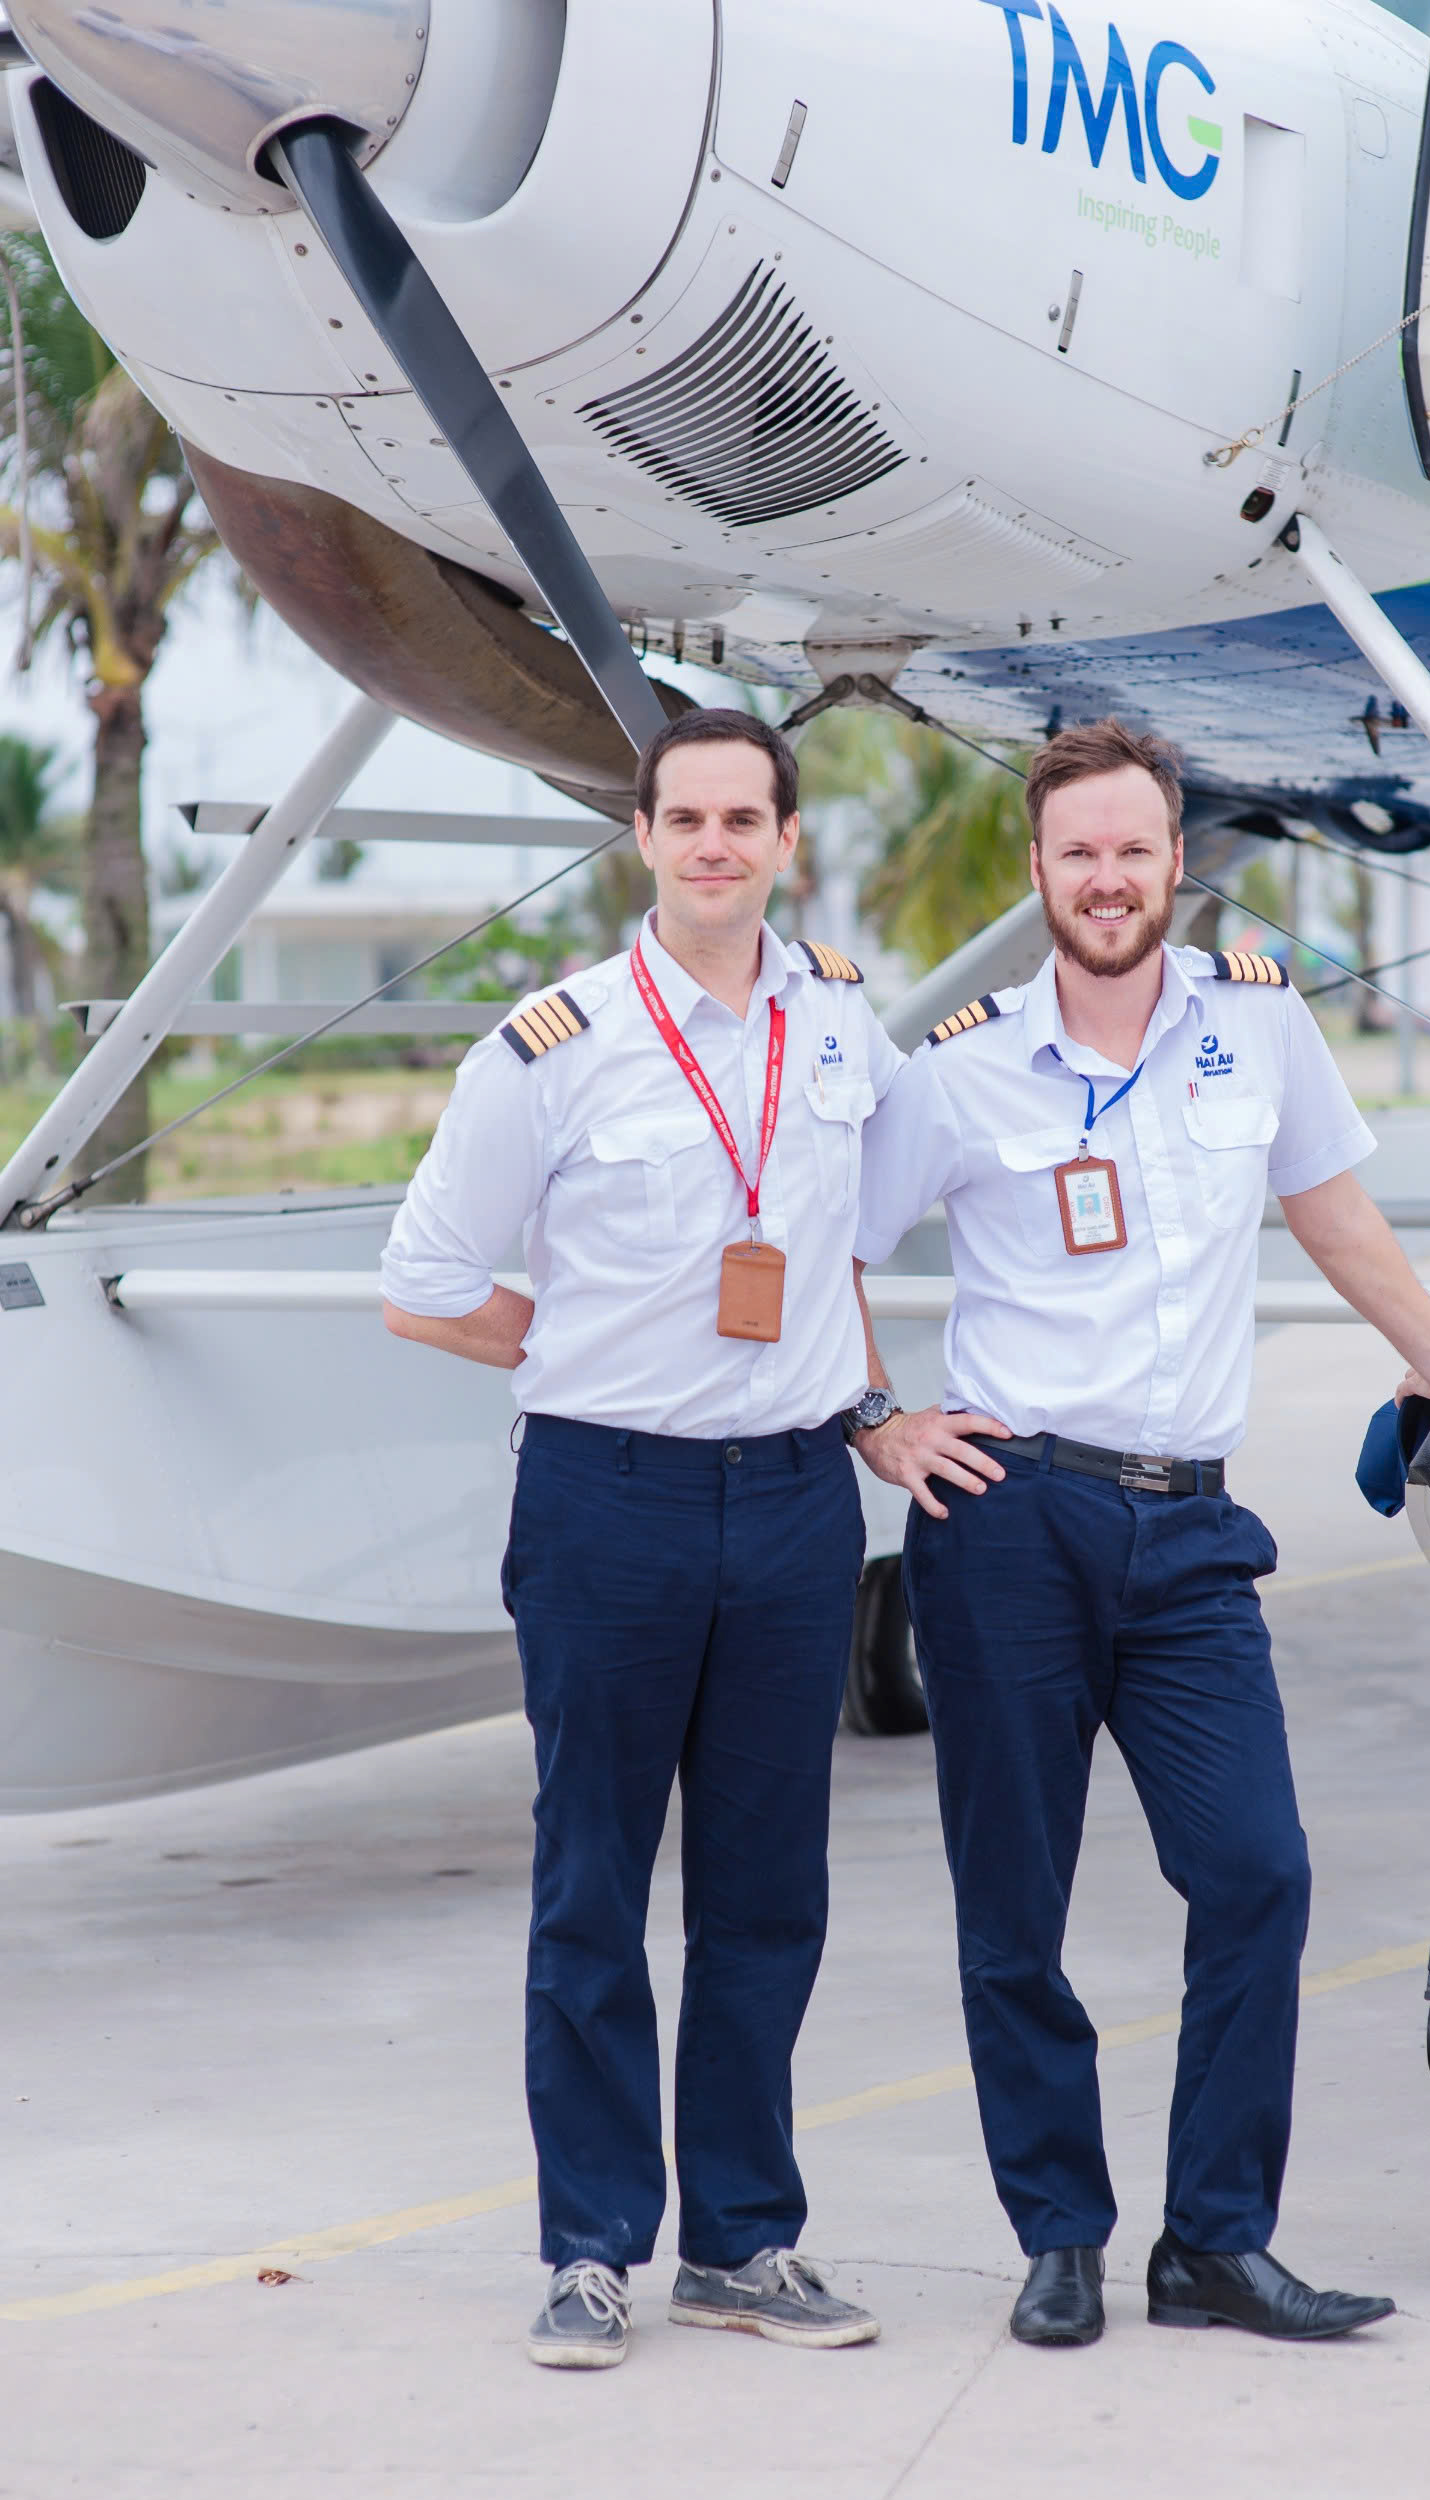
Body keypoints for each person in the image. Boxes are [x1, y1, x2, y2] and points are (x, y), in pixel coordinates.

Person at [850, 718, 1430, 2348]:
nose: (1110, 878)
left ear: (1174, 864)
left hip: (1191, 1530)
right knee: (1016, 1903)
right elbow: (828, 1246)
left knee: (1257, 1873)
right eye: (1079, 852)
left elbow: (1334, 1214)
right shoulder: (963, 1064)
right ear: (1041, 871)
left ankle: (1215, 2238)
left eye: (1135, 849)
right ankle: (1059, 2234)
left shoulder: (1259, 1034)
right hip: (1010, 1518)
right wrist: (879, 1418)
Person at [380, 706, 905, 2370]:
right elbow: (426, 1280)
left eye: (745, 818)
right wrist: (576, 1357)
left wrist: (877, 1399)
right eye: (686, 818)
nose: (715, 846)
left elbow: (857, 1239)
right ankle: (594, 2247)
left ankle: (745, 2243)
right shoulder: (555, 1046)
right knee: (594, 1889)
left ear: (785, 841)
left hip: (797, 1505)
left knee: (766, 1898)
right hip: (610, 1504)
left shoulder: (840, 1030)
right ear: (642, 838)